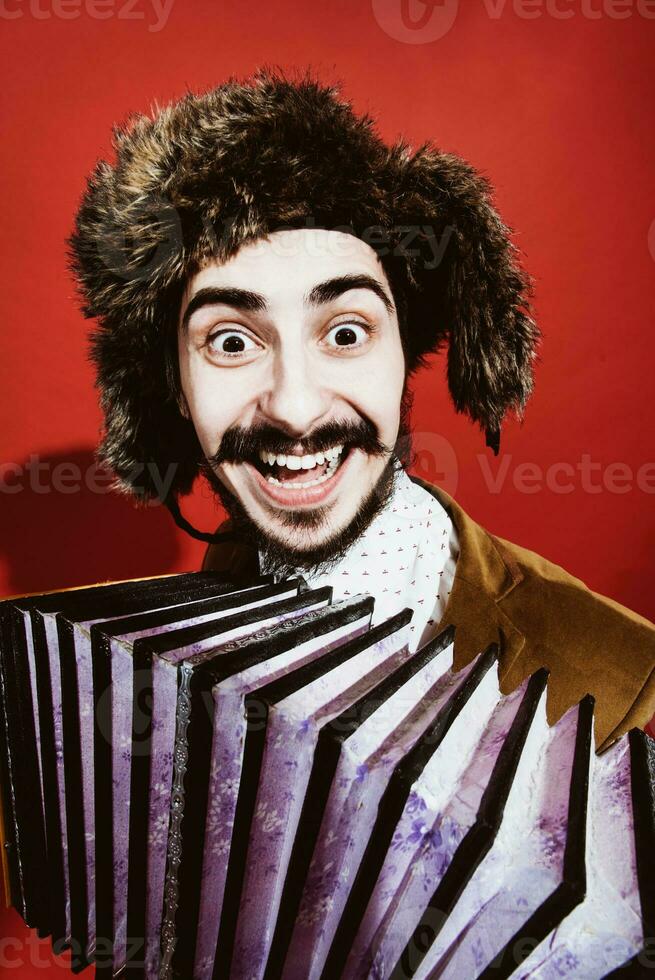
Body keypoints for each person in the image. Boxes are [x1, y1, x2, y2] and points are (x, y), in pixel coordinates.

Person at [68, 67, 655, 756]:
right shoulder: (168, 636)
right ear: (174, 387)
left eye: (345, 332)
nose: (294, 407)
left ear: (406, 351)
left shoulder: (607, 674)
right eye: (231, 341)